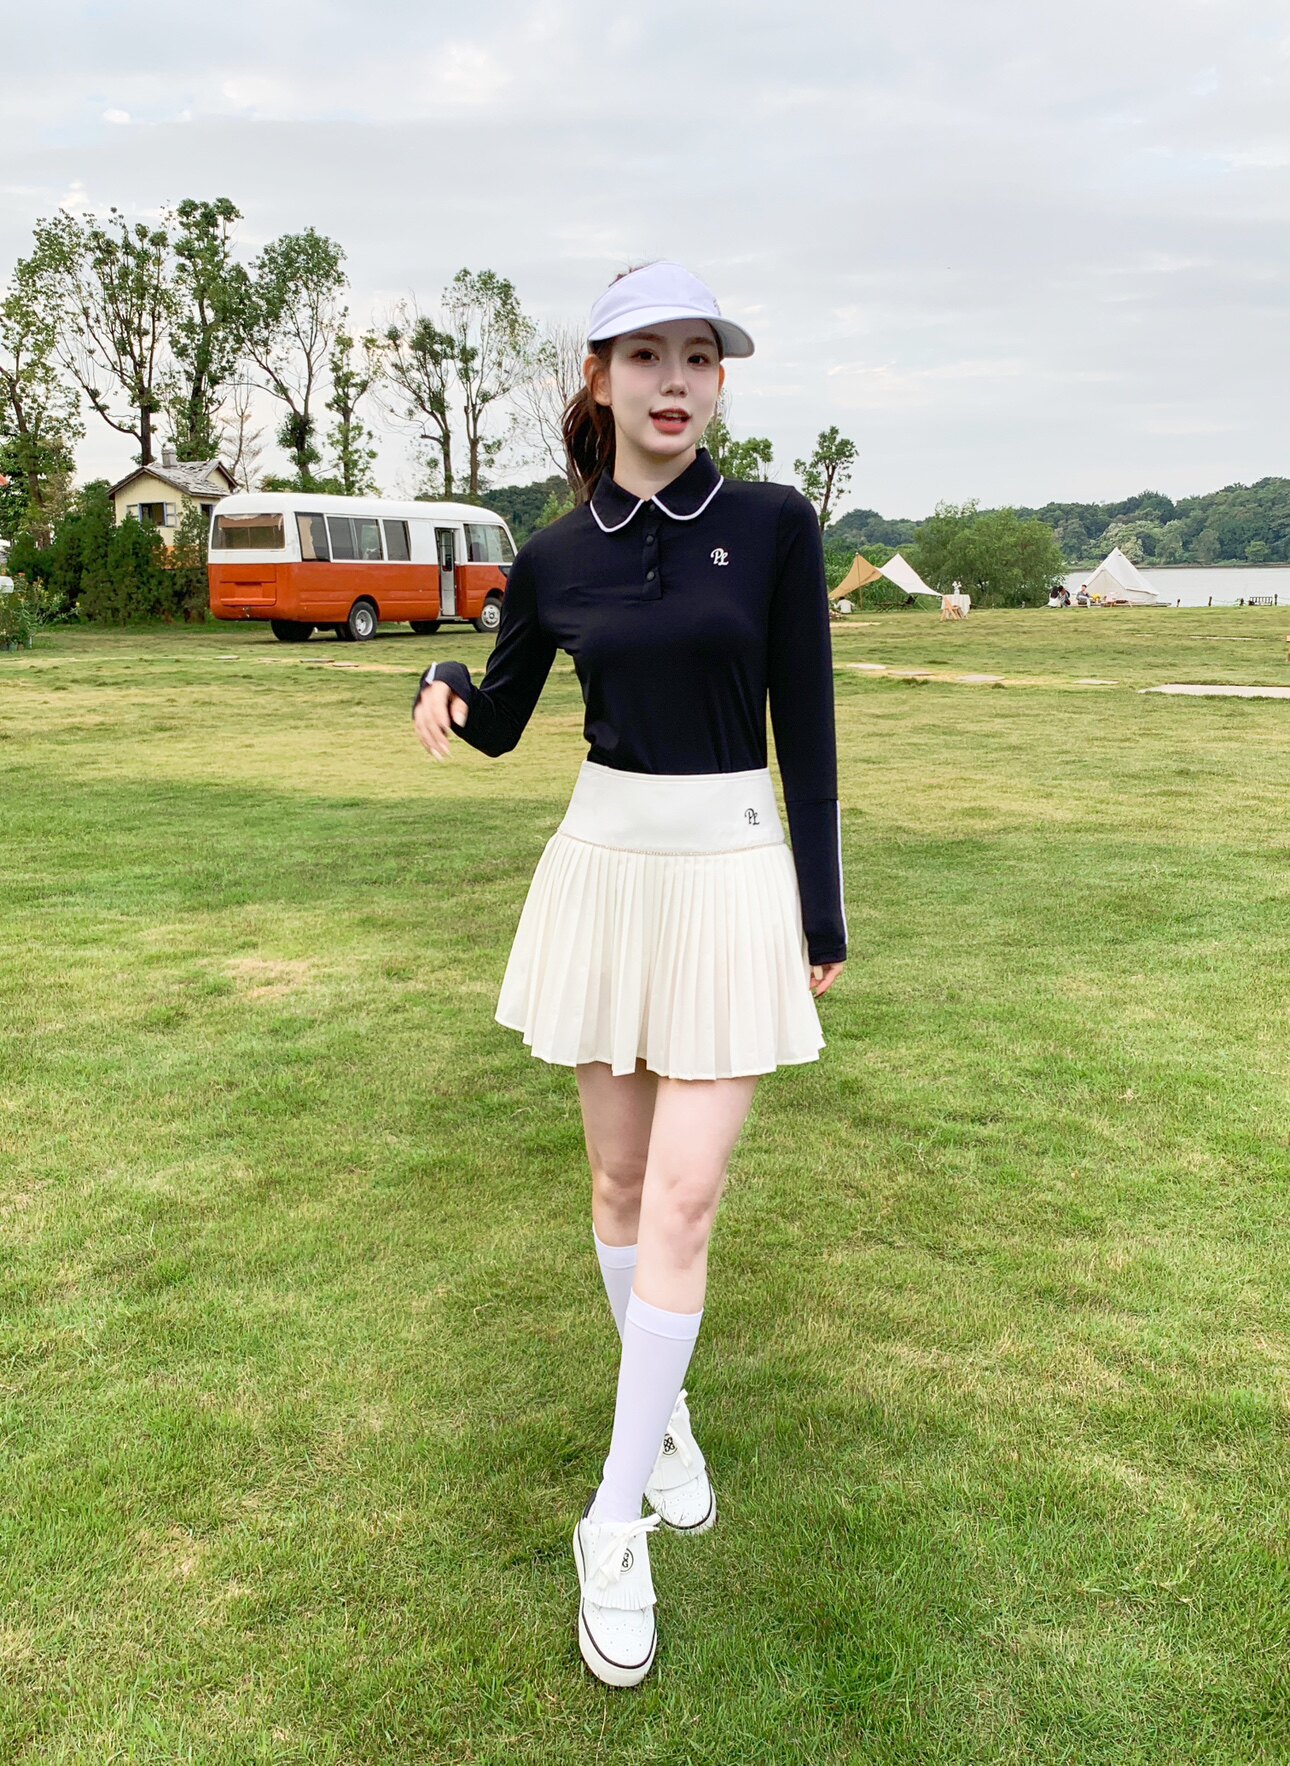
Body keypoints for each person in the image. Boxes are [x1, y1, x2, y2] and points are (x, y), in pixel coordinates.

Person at [410, 260, 847, 1689]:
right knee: (614, 1185)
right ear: (597, 379)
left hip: (731, 876)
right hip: (602, 871)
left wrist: (820, 910)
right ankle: (664, 1425)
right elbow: (499, 716)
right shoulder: (553, 557)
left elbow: (805, 727)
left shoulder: (774, 526)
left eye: (698, 356)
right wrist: (433, 685)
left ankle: (612, 1523)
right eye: (645, 355)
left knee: (684, 1194)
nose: (675, 380)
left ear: (719, 381)